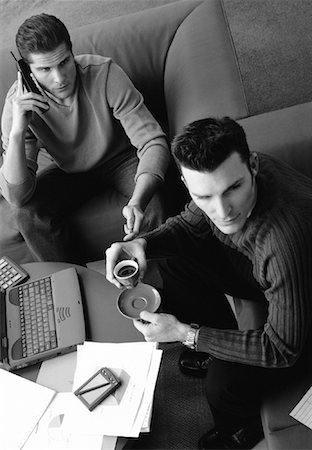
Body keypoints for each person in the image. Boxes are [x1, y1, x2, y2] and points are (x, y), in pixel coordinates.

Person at [106, 117, 312, 449]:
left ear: (253, 166)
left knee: (223, 385)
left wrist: (186, 334)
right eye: (205, 195)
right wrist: (141, 244)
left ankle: (241, 431)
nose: (222, 210)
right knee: (174, 259)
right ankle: (216, 348)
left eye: (233, 189)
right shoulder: (231, 173)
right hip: (266, 275)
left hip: (302, 318)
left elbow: (282, 350)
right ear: (186, 183)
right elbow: (191, 225)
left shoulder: (283, 241)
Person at [0, 13, 170, 263]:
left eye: (64, 62)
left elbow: (153, 142)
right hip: (69, 171)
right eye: (45, 69)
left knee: (153, 203)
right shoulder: (18, 104)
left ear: (72, 53)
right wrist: (17, 132)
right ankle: (74, 286)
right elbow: (17, 197)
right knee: (26, 213)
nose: (59, 78)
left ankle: (159, 290)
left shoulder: (104, 73)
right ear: (26, 70)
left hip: (122, 159)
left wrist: (137, 201)